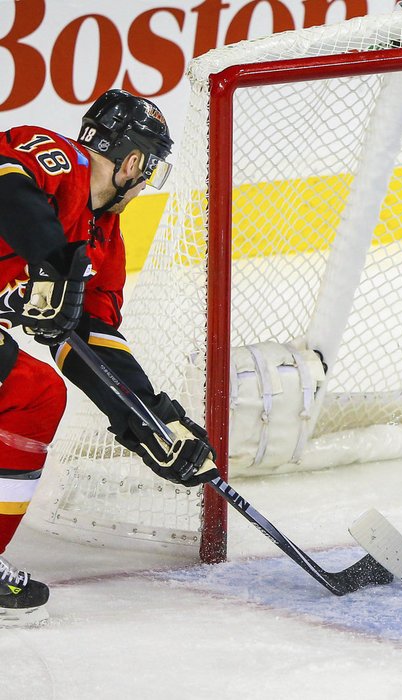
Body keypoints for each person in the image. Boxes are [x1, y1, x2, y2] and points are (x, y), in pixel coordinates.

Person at [0, 90, 218, 627]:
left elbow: (87, 340)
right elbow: (5, 182)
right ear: (134, 161)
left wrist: (147, 419)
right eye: (149, 169)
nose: (146, 184)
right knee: (26, 389)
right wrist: (52, 262)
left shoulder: (104, 243)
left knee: (34, 394)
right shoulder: (58, 158)